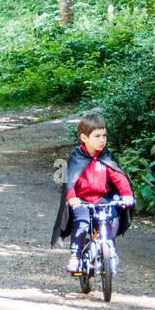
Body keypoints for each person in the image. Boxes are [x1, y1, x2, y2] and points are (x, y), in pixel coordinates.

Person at [50, 110, 134, 273]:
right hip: (82, 200)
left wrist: (127, 194)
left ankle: (110, 249)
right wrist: (72, 197)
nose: (102, 140)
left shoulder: (106, 157)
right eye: (97, 136)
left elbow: (119, 177)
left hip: (102, 199)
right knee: (82, 223)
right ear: (84, 138)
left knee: (111, 220)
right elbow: (69, 181)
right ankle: (75, 257)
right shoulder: (77, 158)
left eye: (104, 135)